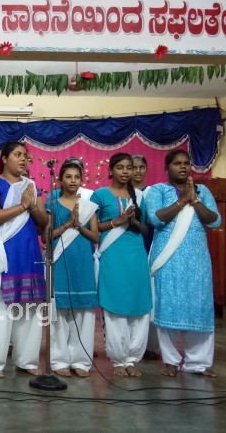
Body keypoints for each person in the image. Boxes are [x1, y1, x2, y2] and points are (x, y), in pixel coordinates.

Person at [146, 149, 221, 378]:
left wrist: (194, 200)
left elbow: (215, 220)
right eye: (177, 163)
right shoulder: (158, 190)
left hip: (197, 260)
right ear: (166, 168)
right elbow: (155, 218)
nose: (183, 167)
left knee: (199, 307)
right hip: (167, 259)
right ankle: (170, 360)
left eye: (186, 163)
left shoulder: (203, 191)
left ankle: (198, 363)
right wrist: (181, 201)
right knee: (167, 306)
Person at [0, 141, 48, 378]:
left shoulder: (31, 186)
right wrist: (23, 205)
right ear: (4, 158)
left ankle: (27, 361)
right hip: (4, 254)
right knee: (1, 310)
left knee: (29, 309)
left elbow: (43, 222)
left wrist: (33, 206)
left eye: (26, 156)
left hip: (29, 252)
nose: (23, 159)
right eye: (18, 155)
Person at [91, 152, 152, 377]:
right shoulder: (99, 195)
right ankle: (118, 360)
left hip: (136, 254)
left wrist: (134, 221)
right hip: (112, 255)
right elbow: (93, 227)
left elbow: (145, 228)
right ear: (111, 170)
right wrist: (119, 221)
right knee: (115, 304)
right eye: (121, 167)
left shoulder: (139, 196)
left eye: (130, 167)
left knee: (138, 304)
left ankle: (132, 358)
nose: (126, 172)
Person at [46, 162, 99, 378]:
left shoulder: (88, 206)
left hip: (83, 263)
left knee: (83, 314)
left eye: (77, 176)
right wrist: (68, 224)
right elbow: (46, 236)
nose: (73, 180)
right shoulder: (52, 203)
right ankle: (59, 360)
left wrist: (79, 226)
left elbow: (96, 237)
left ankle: (81, 361)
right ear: (60, 180)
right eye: (68, 176)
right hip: (60, 261)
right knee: (59, 314)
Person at [131, 154, 160, 360]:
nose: (138, 171)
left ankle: (149, 346)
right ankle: (130, 345)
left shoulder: (153, 193)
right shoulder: (122, 193)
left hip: (151, 248)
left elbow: (154, 222)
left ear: (146, 169)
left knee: (151, 298)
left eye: (142, 167)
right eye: (133, 167)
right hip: (127, 251)